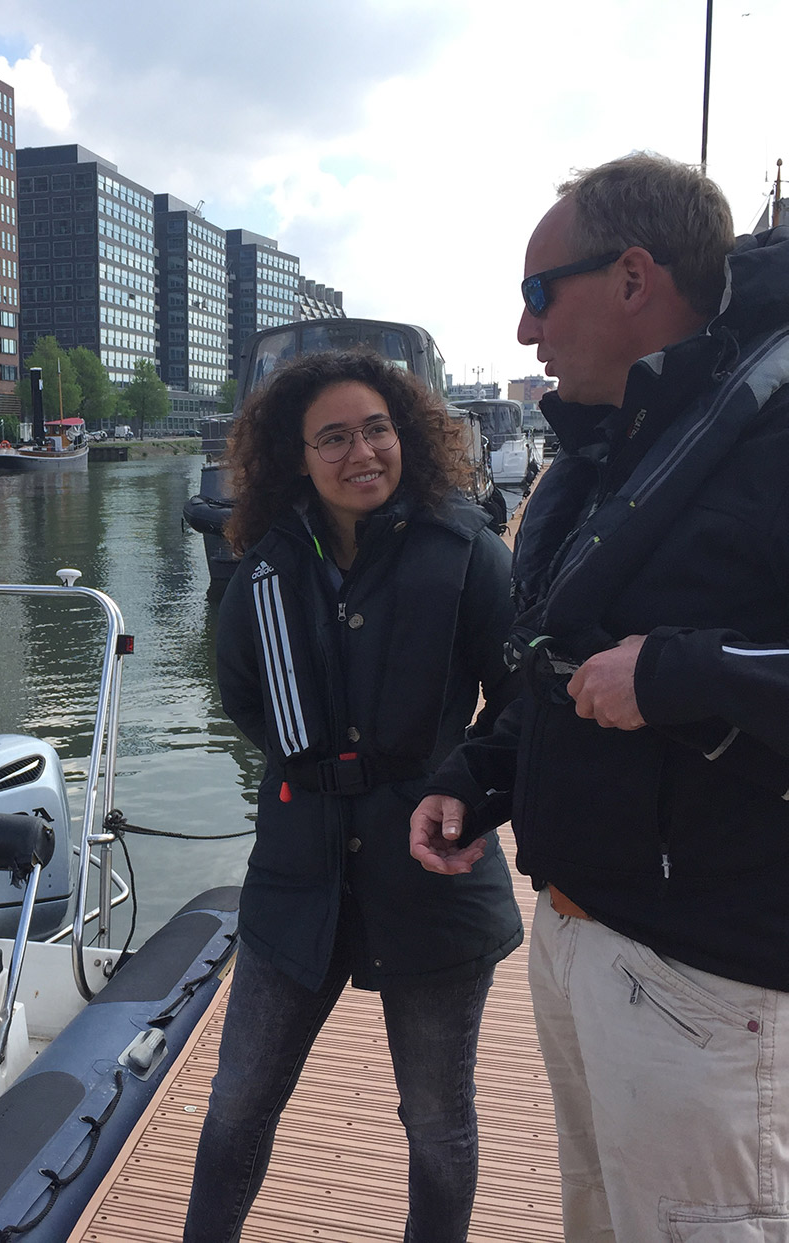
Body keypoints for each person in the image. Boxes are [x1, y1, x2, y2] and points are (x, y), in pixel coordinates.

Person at [410, 152, 789, 1240]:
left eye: (539, 293)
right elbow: (558, 663)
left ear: (633, 278)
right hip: (577, 934)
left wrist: (681, 671)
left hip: (705, 972)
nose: (526, 332)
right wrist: (476, 777)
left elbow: (651, 672)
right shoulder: (609, 454)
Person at [184, 349, 523, 1242]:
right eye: (333, 437)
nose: (361, 452)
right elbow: (244, 696)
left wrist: (471, 790)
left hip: (433, 875)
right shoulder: (262, 571)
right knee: (236, 1106)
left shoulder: (469, 555)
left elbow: (528, 699)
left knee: (438, 1126)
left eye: (376, 429)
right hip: (298, 873)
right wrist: (322, 774)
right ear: (299, 456)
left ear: (404, 433)